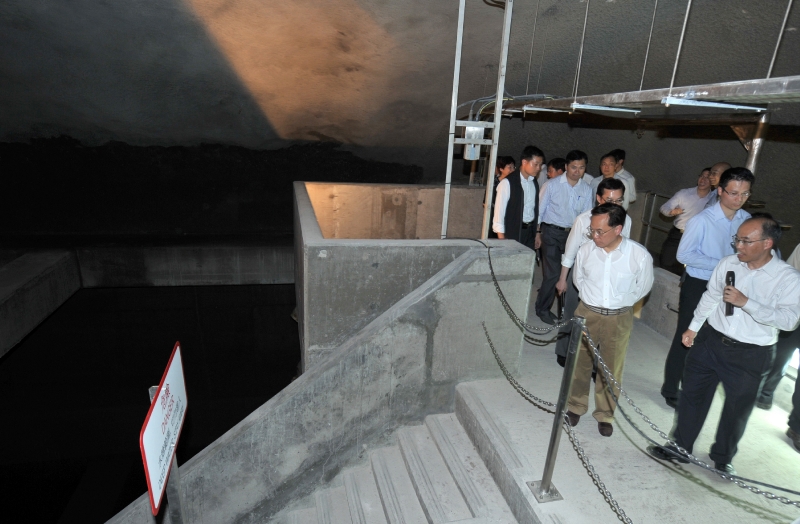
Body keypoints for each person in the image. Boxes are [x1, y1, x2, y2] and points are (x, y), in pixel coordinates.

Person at [649, 217, 800, 474]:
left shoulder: (788, 278)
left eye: (745, 241)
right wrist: (693, 328)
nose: (738, 246)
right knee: (692, 397)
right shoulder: (728, 263)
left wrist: (747, 303)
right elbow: (711, 296)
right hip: (710, 342)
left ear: (767, 243)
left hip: (752, 354)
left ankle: (722, 457)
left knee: (736, 410)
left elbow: (789, 321)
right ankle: (680, 446)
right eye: (737, 240)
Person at [660, 167, 754, 409]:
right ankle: (671, 388)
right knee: (688, 334)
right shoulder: (702, 220)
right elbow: (685, 255)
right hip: (699, 283)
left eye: (745, 194)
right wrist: (724, 264)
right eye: (733, 193)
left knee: (712, 338)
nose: (739, 199)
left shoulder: (746, 221)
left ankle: (695, 386)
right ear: (720, 191)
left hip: (729, 286)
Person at [565, 203, 653, 436]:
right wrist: (592, 302)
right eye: (592, 230)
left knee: (611, 368)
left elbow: (642, 288)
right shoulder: (585, 251)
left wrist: (618, 304)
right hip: (587, 313)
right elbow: (579, 280)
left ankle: (605, 414)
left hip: (618, 318)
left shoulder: (638, 255)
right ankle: (575, 405)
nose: (594, 236)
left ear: (618, 229)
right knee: (579, 364)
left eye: (599, 231)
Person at [553, 178, 632, 366]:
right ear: (598, 198)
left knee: (602, 321)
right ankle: (564, 352)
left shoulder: (626, 221)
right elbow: (570, 251)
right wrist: (563, 279)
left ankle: (596, 361)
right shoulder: (583, 219)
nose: (614, 205)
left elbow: (626, 248)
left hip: (609, 277)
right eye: (609, 200)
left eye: (619, 201)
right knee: (573, 314)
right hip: (581, 274)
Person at [534, 150, 594, 325]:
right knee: (552, 274)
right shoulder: (551, 185)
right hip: (551, 232)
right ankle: (543, 309)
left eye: (581, 167)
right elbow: (540, 210)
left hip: (574, 234)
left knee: (571, 275)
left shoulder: (586, 189)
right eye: (573, 167)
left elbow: (587, 216)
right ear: (566, 167)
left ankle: (569, 311)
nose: (577, 171)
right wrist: (537, 233)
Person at [756, 242, 800, 410]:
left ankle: (796, 423)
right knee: (779, 356)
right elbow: (790, 275)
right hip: (795, 312)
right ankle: (764, 394)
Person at [658, 168, 715, 274]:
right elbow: (664, 207)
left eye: (707, 177)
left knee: (687, 269)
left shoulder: (713, 199)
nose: (703, 179)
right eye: (701, 176)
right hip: (678, 234)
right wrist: (671, 212)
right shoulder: (684, 193)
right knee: (666, 262)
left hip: (697, 239)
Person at [492, 147, 543, 249]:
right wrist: (503, 242)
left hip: (530, 233)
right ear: (524, 162)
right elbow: (499, 216)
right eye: (535, 164)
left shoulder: (533, 182)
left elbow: (535, 209)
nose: (538, 168)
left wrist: (537, 233)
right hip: (513, 232)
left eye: (540, 165)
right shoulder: (507, 183)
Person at [488, 156, 516, 239]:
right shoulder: (493, 183)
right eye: (509, 167)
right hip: (495, 216)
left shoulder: (514, 183)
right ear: (501, 169)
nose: (512, 170)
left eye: (513, 167)